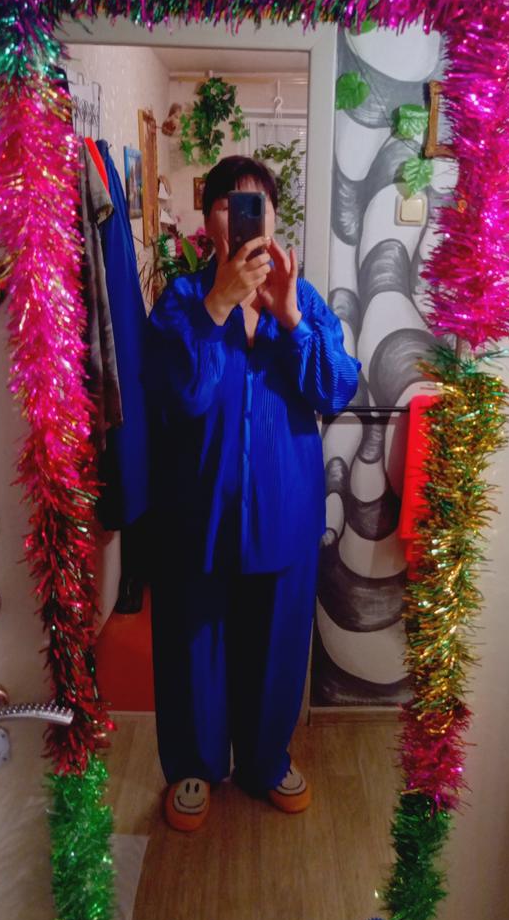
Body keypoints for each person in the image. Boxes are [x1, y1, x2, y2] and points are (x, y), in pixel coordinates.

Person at [142, 156, 361, 831]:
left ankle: (266, 760)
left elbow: (335, 388)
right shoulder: (181, 300)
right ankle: (194, 765)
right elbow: (181, 395)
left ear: (272, 219)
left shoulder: (303, 298)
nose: (243, 216)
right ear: (208, 221)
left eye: (256, 205)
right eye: (227, 204)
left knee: (275, 647)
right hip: (197, 514)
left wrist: (291, 319)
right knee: (193, 643)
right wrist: (217, 305)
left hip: (282, 515)